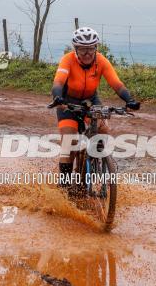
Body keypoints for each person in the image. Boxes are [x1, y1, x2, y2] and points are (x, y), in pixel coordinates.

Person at [50, 27, 140, 181]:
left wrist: (129, 100)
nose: (87, 54)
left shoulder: (101, 61)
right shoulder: (68, 59)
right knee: (68, 143)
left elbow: (116, 84)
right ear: (76, 49)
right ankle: (64, 185)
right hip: (67, 102)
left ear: (96, 48)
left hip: (91, 101)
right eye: (83, 50)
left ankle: (94, 160)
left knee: (103, 130)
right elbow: (58, 82)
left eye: (91, 49)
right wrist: (58, 97)